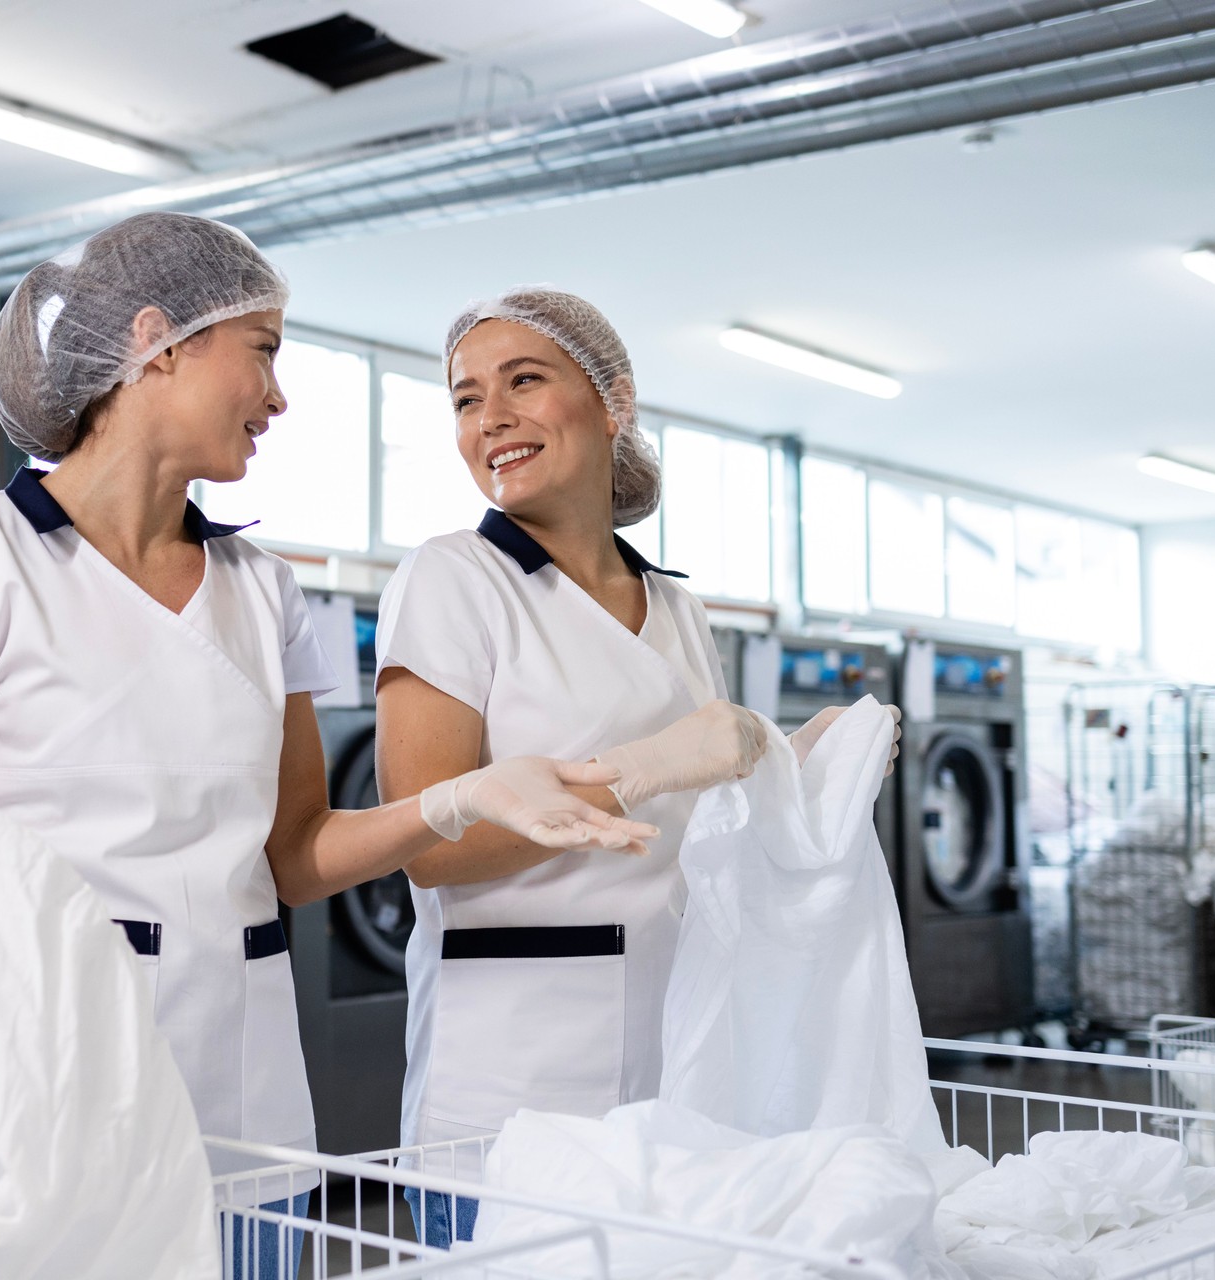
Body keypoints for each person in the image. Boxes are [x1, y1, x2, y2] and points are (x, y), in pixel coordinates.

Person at [0, 223, 651, 1278]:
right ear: (158, 341)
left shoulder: (264, 590)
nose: (279, 397)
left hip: (248, 1096)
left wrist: (457, 803)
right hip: (43, 1093)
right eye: (263, 349)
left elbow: (296, 853)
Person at [374, 286, 900, 1248]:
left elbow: (710, 812)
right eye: (464, 397)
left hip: (681, 1067)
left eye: (524, 380)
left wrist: (800, 764)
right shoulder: (455, 579)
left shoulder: (676, 606)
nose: (490, 416)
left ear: (613, 400)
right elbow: (426, 845)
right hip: (511, 1082)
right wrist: (646, 766)